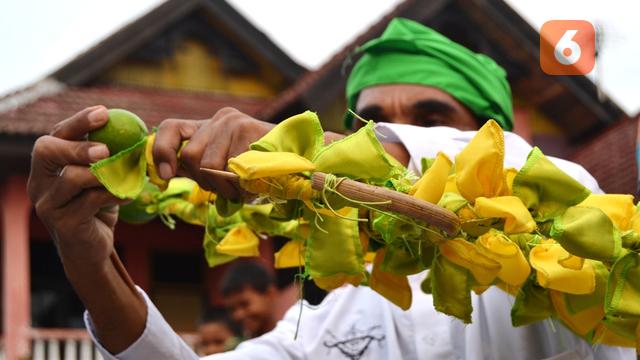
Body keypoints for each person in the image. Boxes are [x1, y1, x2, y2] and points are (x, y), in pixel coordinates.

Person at [28, 18, 633, 359]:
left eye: (431, 120)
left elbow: (532, 179)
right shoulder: (340, 310)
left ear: (489, 136)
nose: (395, 137)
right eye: (369, 125)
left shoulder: (566, 225)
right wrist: (89, 257)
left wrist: (315, 155)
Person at [219, 261, 279, 338]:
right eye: (232, 309)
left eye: (244, 304)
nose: (238, 315)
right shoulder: (241, 348)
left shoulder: (293, 338)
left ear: (270, 294)